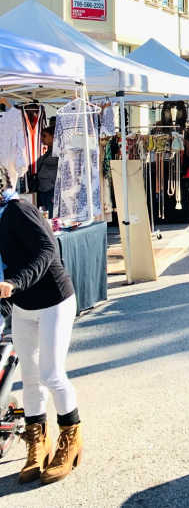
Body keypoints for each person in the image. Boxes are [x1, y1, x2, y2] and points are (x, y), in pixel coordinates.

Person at [0, 188, 83, 484]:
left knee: (51, 374)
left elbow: (48, 250)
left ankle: (70, 440)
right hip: (23, 307)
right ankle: (38, 445)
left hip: (54, 301)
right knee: (32, 378)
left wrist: (14, 282)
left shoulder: (18, 211)